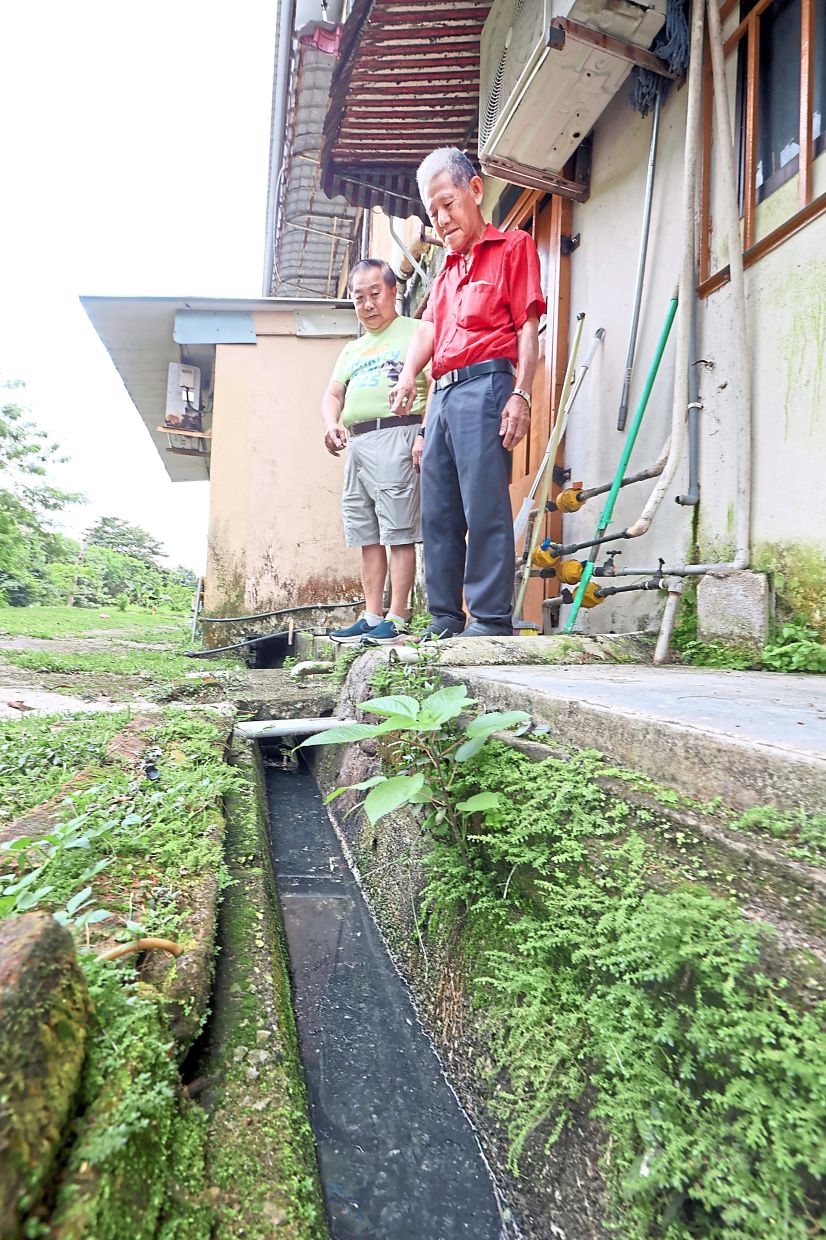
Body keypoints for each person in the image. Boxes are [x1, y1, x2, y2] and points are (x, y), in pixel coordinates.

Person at [389, 147, 546, 640]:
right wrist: (410, 376)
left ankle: (491, 619)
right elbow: (428, 333)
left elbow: (528, 327)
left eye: (447, 203)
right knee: (438, 511)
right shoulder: (444, 273)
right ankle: (444, 617)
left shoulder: (513, 247)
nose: (441, 217)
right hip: (443, 396)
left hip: (488, 384)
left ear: (474, 191)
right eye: (432, 211)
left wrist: (521, 394)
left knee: (484, 506)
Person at [321, 258, 429, 644]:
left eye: (374, 294)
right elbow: (334, 393)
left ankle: (397, 617)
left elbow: (439, 382)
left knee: (398, 531)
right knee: (366, 532)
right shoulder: (352, 349)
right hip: (358, 442)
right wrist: (331, 422)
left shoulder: (418, 331)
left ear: (393, 291)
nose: (367, 304)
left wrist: (424, 433)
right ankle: (371, 615)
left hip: (398, 433)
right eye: (358, 297)